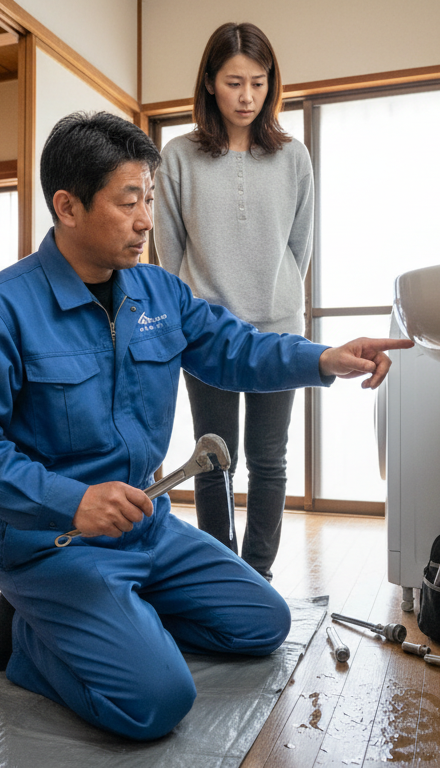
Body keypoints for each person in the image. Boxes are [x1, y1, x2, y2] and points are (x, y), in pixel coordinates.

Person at [0, 111, 411, 741]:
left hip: (145, 525)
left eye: (148, 199)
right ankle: (26, 645)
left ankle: (104, 623)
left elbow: (238, 349)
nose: (147, 220)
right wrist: (72, 502)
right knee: (156, 701)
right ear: (67, 207)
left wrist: (324, 358)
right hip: (51, 543)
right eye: (129, 202)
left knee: (263, 622)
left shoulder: (159, 294)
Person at [154, 22, 312, 581]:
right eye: (234, 82)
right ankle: (221, 573)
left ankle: (258, 574)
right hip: (206, 334)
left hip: (278, 332)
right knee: (215, 458)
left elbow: (300, 247)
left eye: (259, 82)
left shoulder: (294, 157)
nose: (247, 96)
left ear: (272, 85)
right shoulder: (176, 157)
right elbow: (168, 255)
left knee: (270, 459)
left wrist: (279, 301)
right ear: (209, 83)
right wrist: (183, 325)